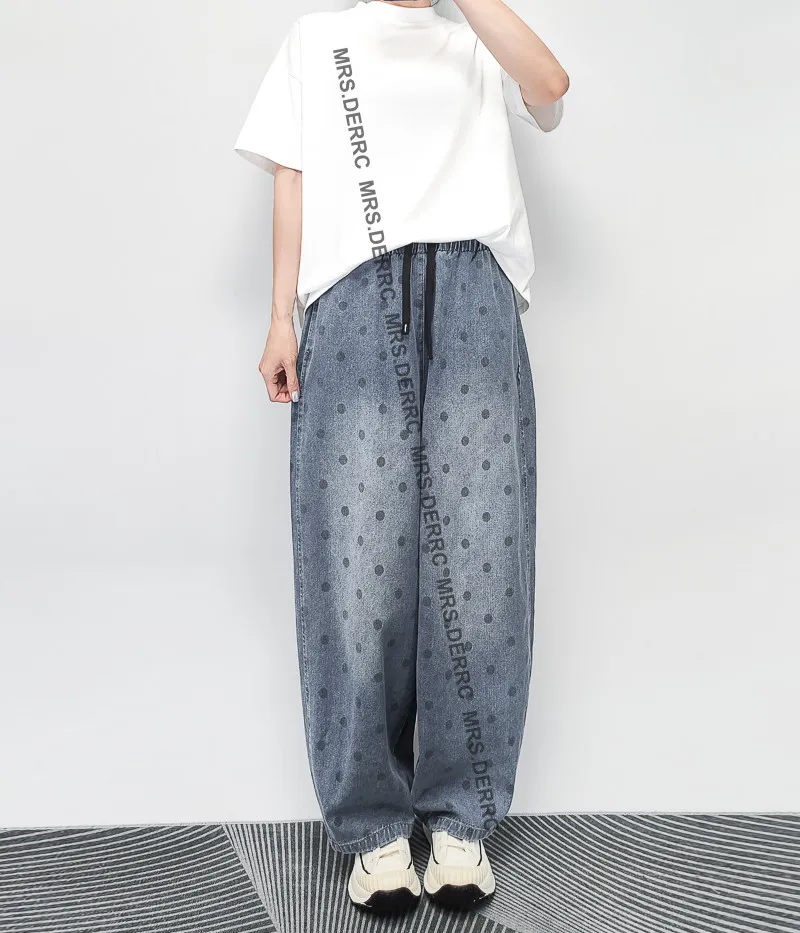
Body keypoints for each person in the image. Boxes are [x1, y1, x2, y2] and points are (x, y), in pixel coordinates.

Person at [234, 0, 568, 913]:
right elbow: (294, 173)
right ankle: (374, 831)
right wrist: (280, 317)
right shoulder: (320, 40)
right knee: (357, 572)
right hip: (351, 298)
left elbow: (550, 87)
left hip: (473, 294)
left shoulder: (479, 40)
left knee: (481, 563)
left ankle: (461, 822)